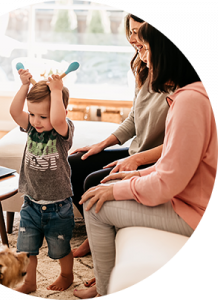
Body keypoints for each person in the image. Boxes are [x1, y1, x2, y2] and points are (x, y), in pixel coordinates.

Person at [74, 21, 217, 299]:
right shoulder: (194, 93)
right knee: (102, 181)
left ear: (167, 52)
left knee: (94, 204)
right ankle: (107, 274)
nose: (145, 57)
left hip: (192, 210)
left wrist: (117, 189)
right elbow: (176, 165)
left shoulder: (189, 102)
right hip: (190, 197)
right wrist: (133, 177)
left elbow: (168, 182)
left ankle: (104, 290)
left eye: (149, 49)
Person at [70, 13, 170, 259]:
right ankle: (96, 236)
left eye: (140, 33)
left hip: (158, 159)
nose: (134, 40)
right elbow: (134, 118)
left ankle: (103, 238)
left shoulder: (181, 80)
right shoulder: (143, 66)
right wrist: (102, 144)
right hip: (136, 152)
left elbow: (177, 144)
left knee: (94, 181)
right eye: (131, 32)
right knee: (74, 164)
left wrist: (136, 160)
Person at [10, 68, 75, 294]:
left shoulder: (62, 130)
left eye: (43, 116)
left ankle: (67, 274)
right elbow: (14, 111)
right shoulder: (30, 127)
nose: (36, 121)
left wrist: (56, 91)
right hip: (31, 202)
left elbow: (57, 118)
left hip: (58, 205)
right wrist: (24, 86)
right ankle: (29, 282)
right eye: (33, 114)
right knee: (27, 249)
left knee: (61, 248)